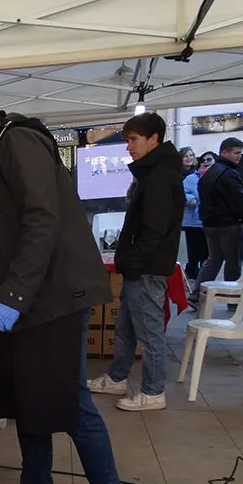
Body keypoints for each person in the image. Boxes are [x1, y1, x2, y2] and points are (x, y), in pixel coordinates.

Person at [0, 78, 119, 484]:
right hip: (29, 298)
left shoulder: (16, 142)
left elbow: (41, 220)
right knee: (28, 399)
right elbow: (3, 232)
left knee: (71, 403)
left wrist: (14, 296)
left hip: (53, 297)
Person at [87, 113, 185, 412]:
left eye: (133, 140)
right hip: (141, 267)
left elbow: (153, 230)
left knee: (149, 332)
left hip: (148, 268)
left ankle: (153, 391)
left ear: (153, 138)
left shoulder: (159, 176)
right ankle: (117, 377)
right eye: (128, 140)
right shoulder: (154, 172)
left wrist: (132, 262)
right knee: (126, 328)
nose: (128, 147)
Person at [189, 136, 243, 307]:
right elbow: (240, 201)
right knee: (233, 262)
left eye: (240, 153)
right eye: (236, 152)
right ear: (224, 152)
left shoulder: (209, 174)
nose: (239, 156)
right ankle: (232, 299)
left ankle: (196, 296)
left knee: (213, 260)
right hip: (229, 224)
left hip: (210, 224)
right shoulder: (229, 174)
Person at [183, 151, 215, 282]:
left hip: (211, 221)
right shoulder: (191, 178)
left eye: (209, 160)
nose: (206, 162)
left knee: (208, 254)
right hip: (193, 222)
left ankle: (204, 281)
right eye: (203, 160)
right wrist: (190, 200)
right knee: (194, 253)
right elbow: (181, 191)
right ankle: (191, 278)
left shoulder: (217, 177)